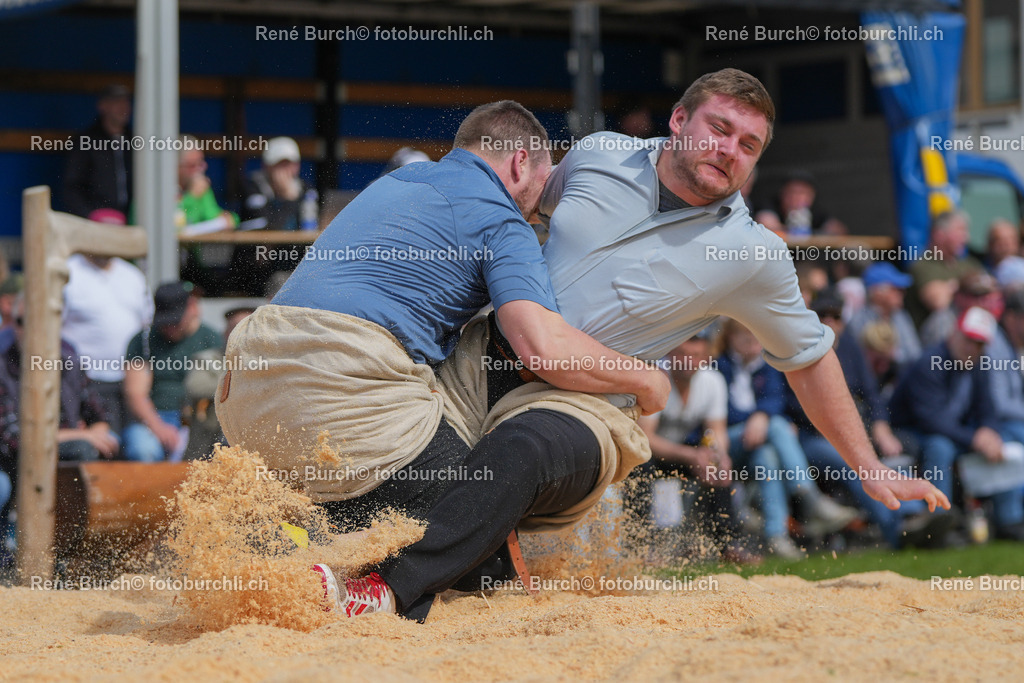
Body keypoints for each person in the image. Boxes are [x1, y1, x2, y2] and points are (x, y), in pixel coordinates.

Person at [216, 101, 670, 620]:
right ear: (521, 162)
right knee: (483, 502)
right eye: (543, 188)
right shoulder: (502, 220)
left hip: (245, 386)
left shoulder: (394, 184)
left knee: (426, 483)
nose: (538, 209)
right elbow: (544, 350)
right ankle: (381, 594)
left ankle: (300, 547)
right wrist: (648, 379)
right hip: (338, 388)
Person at [787, 292, 935, 549]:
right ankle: (896, 531)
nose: (831, 322)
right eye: (824, 316)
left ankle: (913, 517)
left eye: (837, 317)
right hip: (811, 436)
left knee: (888, 455)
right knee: (855, 464)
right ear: (811, 317)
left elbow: (872, 395)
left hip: (853, 430)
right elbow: (785, 400)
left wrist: (881, 426)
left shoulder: (850, 347)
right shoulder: (794, 346)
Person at [715, 318, 858, 558]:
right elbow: (723, 413)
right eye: (743, 335)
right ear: (730, 338)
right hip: (727, 441)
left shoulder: (767, 364)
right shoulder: (720, 367)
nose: (751, 340)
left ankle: (776, 536)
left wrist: (762, 417)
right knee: (778, 425)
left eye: (755, 334)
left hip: (759, 443)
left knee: (767, 458)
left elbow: (776, 397)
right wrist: (758, 417)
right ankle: (809, 497)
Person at [889, 307, 1024, 542]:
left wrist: (989, 432)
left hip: (952, 432)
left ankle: (1009, 520)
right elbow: (930, 419)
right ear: (954, 333)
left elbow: (987, 408)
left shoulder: (979, 365)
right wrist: (974, 438)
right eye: (969, 340)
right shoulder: (930, 362)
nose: (973, 348)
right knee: (940, 447)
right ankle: (939, 522)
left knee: (1004, 440)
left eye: (980, 344)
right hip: (910, 433)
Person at [631, 332, 760, 564]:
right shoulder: (655, 378)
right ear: (670, 354)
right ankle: (642, 547)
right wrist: (692, 455)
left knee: (717, 469)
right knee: (640, 466)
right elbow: (644, 438)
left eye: (696, 355)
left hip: (679, 452)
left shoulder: (713, 381)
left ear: (706, 356)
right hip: (646, 453)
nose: (688, 361)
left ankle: (727, 545)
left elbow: (717, 431)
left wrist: (719, 457)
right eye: (682, 354)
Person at [61, 208, 153, 435]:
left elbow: (146, 324)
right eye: (104, 233)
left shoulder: (132, 275)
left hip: (130, 382)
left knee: (132, 447)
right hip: (85, 383)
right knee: (103, 447)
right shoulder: (67, 271)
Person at [0, 294, 118, 464]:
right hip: (16, 462)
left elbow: (102, 414)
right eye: (23, 321)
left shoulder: (70, 364)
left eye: (42, 323)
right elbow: (14, 438)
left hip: (66, 450)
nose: (33, 330)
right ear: (14, 324)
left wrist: (97, 433)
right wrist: (82, 435)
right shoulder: (3, 368)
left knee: (110, 443)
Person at [123, 282, 223, 462]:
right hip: (155, 417)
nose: (169, 328)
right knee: (142, 449)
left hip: (199, 420)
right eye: (164, 322)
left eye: (175, 321)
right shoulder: (143, 341)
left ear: (192, 308)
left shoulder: (211, 339)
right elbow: (135, 393)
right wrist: (158, 427)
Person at [230, 137, 318, 296]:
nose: (285, 171)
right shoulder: (252, 186)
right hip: (256, 268)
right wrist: (288, 199)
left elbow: (311, 226)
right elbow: (267, 230)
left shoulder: (306, 189)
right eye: (279, 165)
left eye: (289, 164)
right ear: (267, 166)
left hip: (293, 263)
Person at [60, 84, 133, 218]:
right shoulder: (86, 141)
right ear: (102, 106)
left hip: (131, 221)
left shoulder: (135, 140)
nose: (123, 107)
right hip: (96, 223)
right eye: (116, 102)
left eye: (126, 101)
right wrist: (90, 216)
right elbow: (72, 187)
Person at [177, 136, 238, 293]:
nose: (200, 170)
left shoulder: (200, 188)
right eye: (192, 165)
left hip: (197, 264)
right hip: (169, 261)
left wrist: (229, 219)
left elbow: (216, 218)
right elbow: (177, 225)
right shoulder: (161, 184)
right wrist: (191, 197)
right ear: (176, 166)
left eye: (201, 163)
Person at [907, 210, 984, 327]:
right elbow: (939, 303)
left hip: (970, 331)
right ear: (939, 234)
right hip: (935, 339)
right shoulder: (923, 265)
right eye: (960, 231)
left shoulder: (970, 264)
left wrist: (950, 287)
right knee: (943, 318)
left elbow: (989, 294)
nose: (966, 238)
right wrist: (967, 285)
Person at [847, 262, 921, 368]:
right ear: (878, 292)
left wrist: (894, 355)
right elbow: (858, 359)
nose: (902, 293)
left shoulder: (900, 316)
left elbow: (915, 354)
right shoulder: (858, 320)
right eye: (896, 289)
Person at [754, 169, 847, 238]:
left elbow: (837, 229)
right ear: (782, 193)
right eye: (792, 192)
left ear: (812, 196)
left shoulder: (814, 210)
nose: (796, 197)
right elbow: (767, 225)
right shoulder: (770, 205)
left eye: (802, 193)